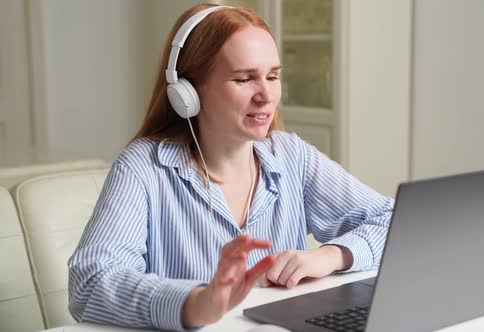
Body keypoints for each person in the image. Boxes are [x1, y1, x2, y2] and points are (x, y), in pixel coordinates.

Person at [68, 3, 393, 331]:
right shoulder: (143, 168)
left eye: (273, 76)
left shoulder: (292, 156)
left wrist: (332, 255)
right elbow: (91, 282)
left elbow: (392, 220)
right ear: (189, 92)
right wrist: (195, 302)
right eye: (244, 79)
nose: (266, 95)